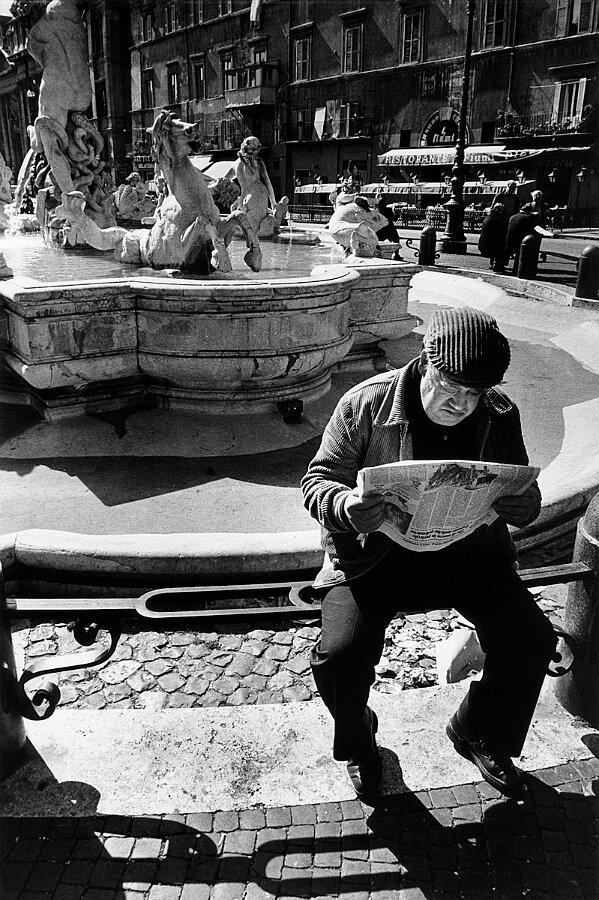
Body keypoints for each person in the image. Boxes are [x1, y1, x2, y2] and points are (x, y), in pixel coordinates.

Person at [301, 306, 556, 800]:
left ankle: (478, 729)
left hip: (467, 553)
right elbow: (317, 481)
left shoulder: (499, 412)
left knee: (530, 637)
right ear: (425, 362)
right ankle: (360, 739)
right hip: (375, 557)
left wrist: (526, 506)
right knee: (339, 657)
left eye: (474, 394)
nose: (461, 404)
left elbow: (521, 485)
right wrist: (346, 507)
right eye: (451, 388)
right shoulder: (364, 404)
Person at [478, 203, 508, 272]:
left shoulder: (488, 217)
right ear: (497, 210)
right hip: (492, 244)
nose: (502, 212)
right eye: (501, 210)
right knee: (502, 245)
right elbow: (501, 233)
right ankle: (497, 265)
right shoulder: (497, 220)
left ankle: (492, 263)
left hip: (485, 243)